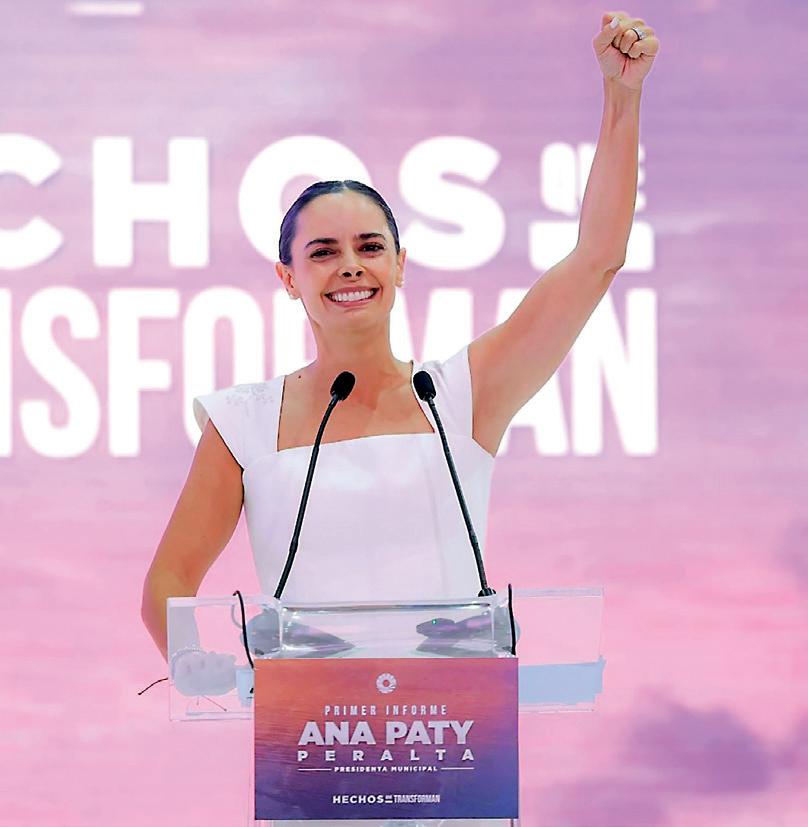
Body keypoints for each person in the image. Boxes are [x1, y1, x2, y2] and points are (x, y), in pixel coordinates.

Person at [140, 11, 658, 823]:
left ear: (401, 263)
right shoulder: (243, 421)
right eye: (322, 252)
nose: (350, 265)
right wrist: (192, 658)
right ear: (288, 278)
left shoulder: (463, 395)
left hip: (452, 767)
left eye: (370, 246)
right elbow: (169, 581)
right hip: (314, 767)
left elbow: (597, 259)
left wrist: (621, 100)